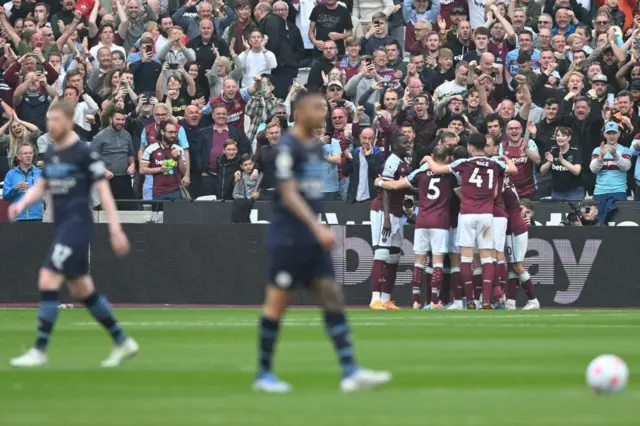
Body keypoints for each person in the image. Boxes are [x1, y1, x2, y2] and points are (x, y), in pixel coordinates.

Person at [253, 90, 391, 393]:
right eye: (317, 108)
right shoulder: (288, 147)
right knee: (277, 304)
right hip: (289, 238)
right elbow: (288, 193)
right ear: (300, 112)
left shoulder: (316, 147)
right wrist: (317, 227)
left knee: (331, 294)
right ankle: (263, 373)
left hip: (312, 241)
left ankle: (350, 370)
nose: (323, 113)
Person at [7, 100, 137, 368]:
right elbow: (41, 185)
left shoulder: (84, 153)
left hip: (78, 225)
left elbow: (103, 192)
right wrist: (21, 203)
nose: (49, 124)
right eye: (48, 119)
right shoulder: (52, 152)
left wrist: (115, 228)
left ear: (67, 121)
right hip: (62, 225)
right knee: (82, 289)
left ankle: (40, 350)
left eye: (54, 120)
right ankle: (123, 341)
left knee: (47, 276)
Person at [423, 133, 517, 310]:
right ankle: (487, 300)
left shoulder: (463, 163)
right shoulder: (495, 163)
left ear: (471, 148)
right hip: (487, 215)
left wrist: (428, 158)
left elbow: (436, 169)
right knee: (487, 257)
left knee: (466, 258)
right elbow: (513, 169)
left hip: (467, 214)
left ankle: (471, 300)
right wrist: (504, 157)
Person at [374, 144, 455, 310]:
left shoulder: (420, 173)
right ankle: (434, 301)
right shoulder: (451, 173)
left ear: (433, 155)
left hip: (422, 221)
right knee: (437, 262)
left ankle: (416, 300)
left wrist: (380, 182)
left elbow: (396, 185)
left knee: (419, 262)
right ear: (447, 158)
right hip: (440, 222)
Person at [368, 133, 412, 310]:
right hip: (382, 212)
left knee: (394, 256)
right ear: (394, 145)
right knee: (382, 253)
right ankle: (375, 299)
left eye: (408, 140)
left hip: (396, 212)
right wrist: (386, 219)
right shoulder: (392, 161)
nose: (408, 142)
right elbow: (385, 190)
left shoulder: (403, 162)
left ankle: (386, 299)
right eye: (403, 141)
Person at [2, 143, 43, 221]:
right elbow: (5, 196)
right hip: (18, 218)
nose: (28, 156)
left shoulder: (40, 173)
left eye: (30, 153)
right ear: (19, 157)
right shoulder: (11, 174)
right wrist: (15, 188)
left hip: (37, 217)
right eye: (25, 153)